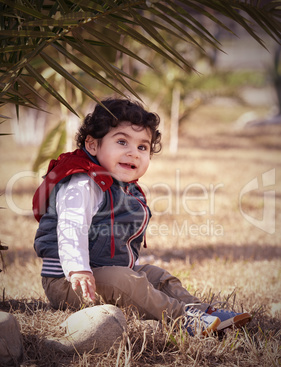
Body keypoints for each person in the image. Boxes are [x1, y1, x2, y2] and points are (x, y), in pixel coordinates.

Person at [33, 98, 251, 336]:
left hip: (106, 273)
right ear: (92, 145)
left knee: (158, 276)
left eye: (142, 147)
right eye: (122, 141)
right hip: (69, 283)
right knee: (127, 282)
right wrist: (78, 269)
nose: (133, 153)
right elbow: (71, 227)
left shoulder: (123, 186)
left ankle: (204, 311)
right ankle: (184, 319)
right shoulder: (83, 182)